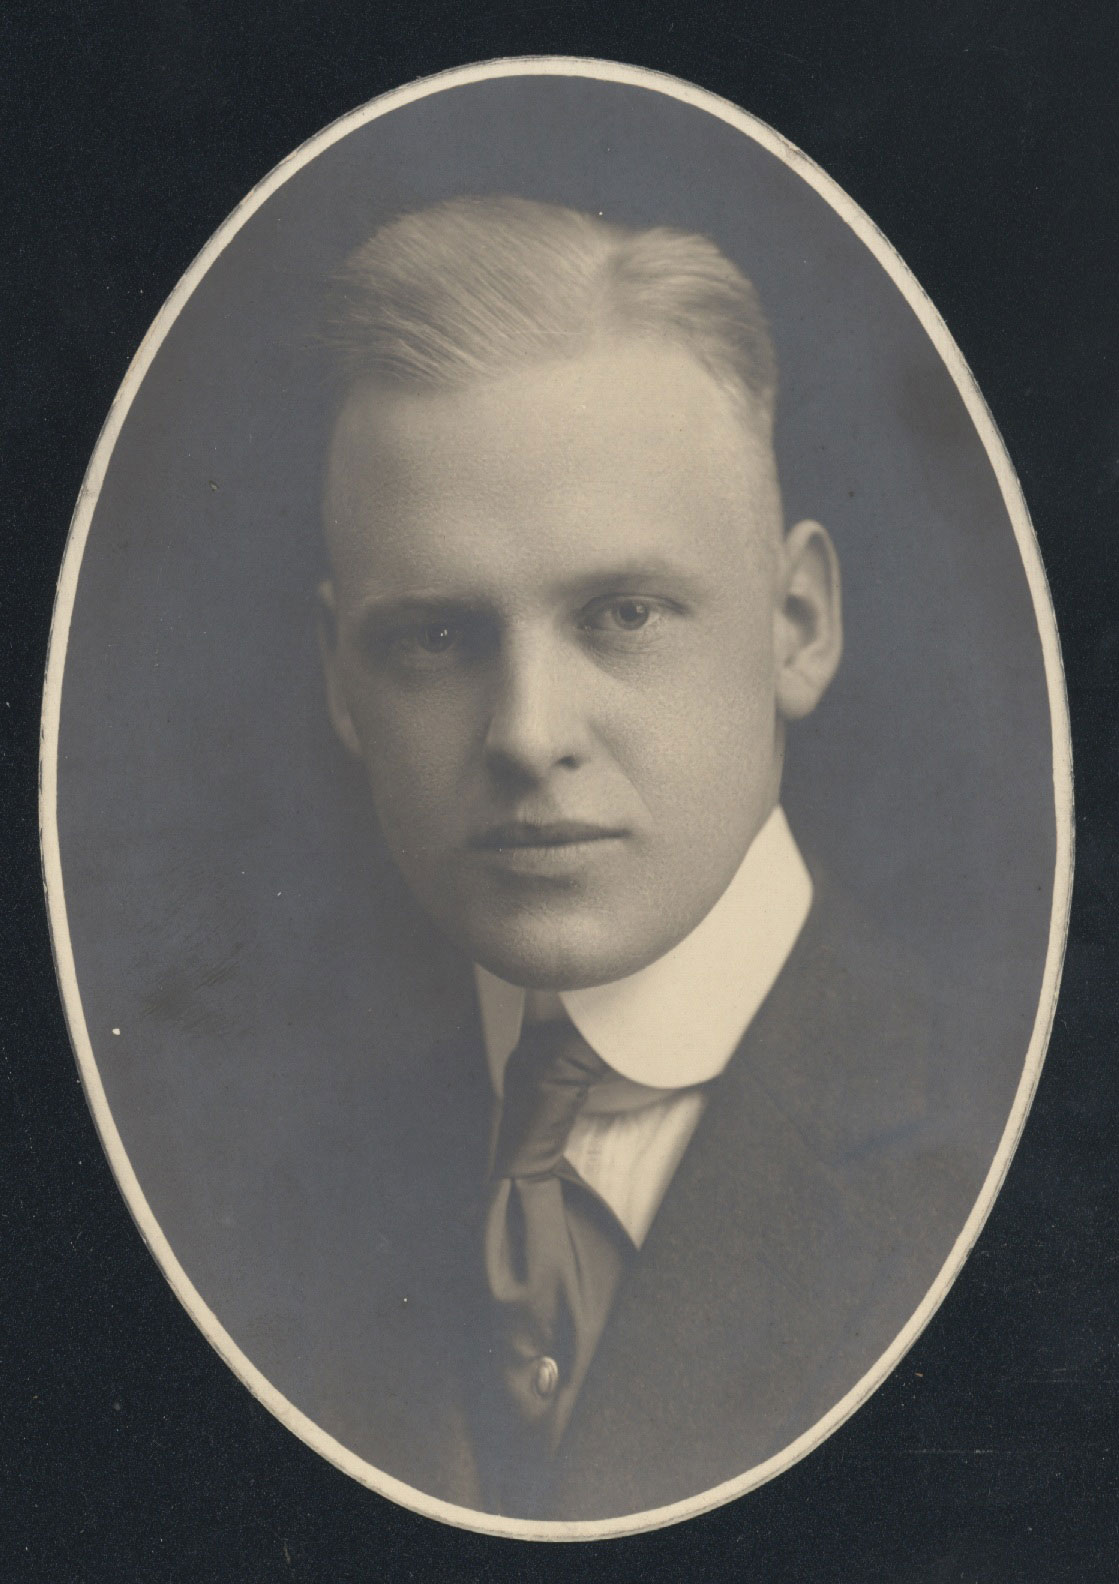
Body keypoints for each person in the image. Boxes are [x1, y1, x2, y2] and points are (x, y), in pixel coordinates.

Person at [306, 196, 978, 1520]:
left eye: (624, 613)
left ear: (796, 624)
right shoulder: (281, 1199)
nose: (528, 735)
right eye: (435, 639)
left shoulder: (1019, 1148)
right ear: (341, 683)